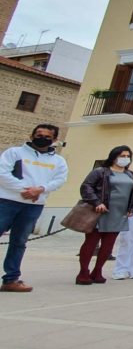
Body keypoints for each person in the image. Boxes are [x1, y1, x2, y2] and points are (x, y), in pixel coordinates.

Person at [0, 124, 68, 292]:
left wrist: (41, 189)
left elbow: (59, 180)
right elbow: (2, 173)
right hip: (7, 201)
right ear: (32, 135)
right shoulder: (15, 153)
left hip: (34, 205)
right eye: (39, 134)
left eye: (47, 136)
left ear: (54, 140)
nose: (42, 138)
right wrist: (25, 189)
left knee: (19, 241)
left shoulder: (58, 161)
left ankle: (11, 279)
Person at [78, 146, 133, 285]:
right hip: (100, 211)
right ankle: (83, 271)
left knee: (108, 244)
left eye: (127, 156)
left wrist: (132, 208)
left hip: (119, 213)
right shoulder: (101, 171)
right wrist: (96, 202)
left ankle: (97, 270)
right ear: (114, 156)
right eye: (122, 155)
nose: (125, 158)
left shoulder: (131, 175)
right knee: (91, 242)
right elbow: (86, 187)